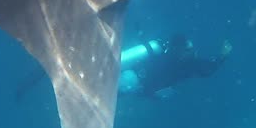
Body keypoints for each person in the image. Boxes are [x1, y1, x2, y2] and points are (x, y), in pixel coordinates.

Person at [14, 35, 232, 101]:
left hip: (127, 75)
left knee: (79, 76)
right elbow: (206, 70)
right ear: (181, 50)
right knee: (80, 85)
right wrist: (222, 56)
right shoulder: (184, 64)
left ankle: (48, 71)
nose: (193, 51)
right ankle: (49, 75)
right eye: (190, 48)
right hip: (128, 82)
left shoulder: (166, 53)